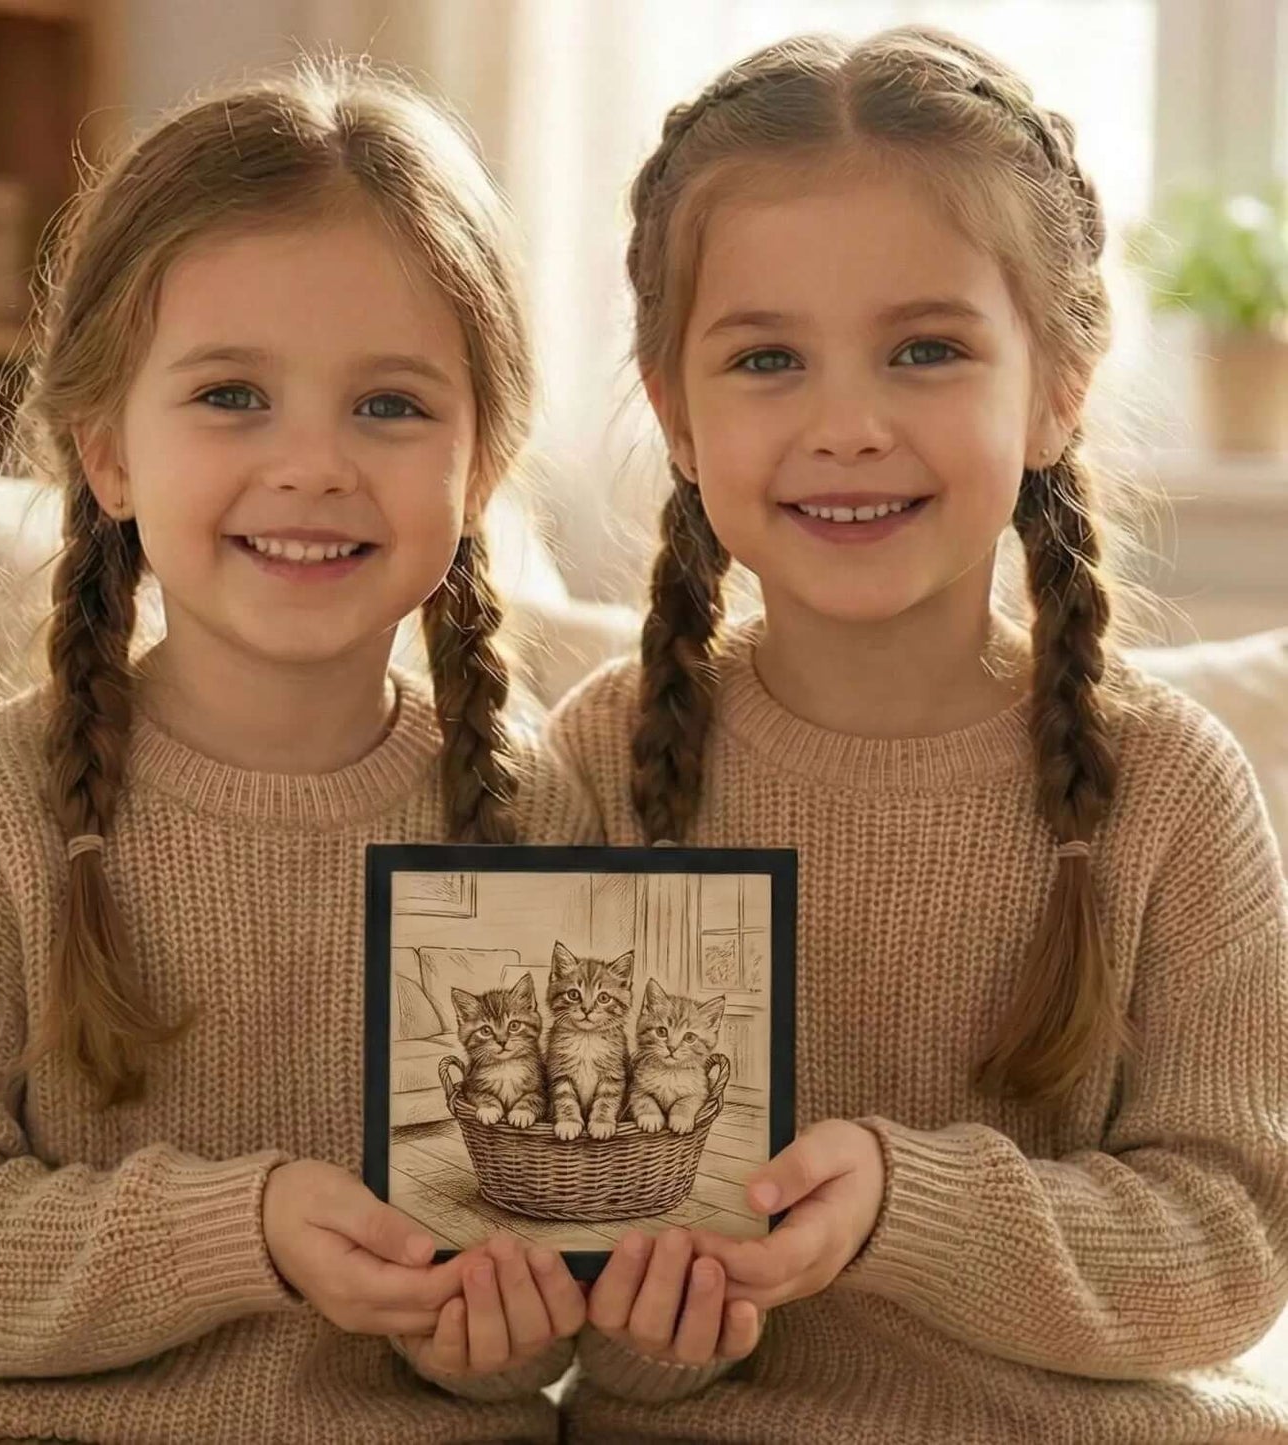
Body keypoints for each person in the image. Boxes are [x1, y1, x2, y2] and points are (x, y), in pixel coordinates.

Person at [548, 26, 1288, 1443]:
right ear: (674, 414)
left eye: (925, 350)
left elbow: (1233, 1247)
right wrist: (649, 1329)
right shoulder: (605, 757)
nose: (847, 423)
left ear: (1059, 381)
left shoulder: (1169, 786)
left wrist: (906, 1204)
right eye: (766, 357)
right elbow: (572, 1282)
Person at [0, 62, 590, 1444]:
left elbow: (528, 1307)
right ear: (106, 452)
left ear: (479, 463)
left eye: (388, 406)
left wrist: (505, 1328)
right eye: (232, 394)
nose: (310, 463)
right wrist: (239, 1226)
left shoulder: (533, 816)